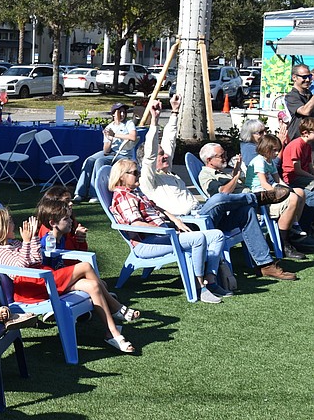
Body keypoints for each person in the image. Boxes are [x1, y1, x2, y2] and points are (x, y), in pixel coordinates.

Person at [138, 97, 296, 280]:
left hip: (204, 215)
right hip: (188, 224)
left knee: (246, 212)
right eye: (160, 155)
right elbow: (151, 153)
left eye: (164, 153)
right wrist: (154, 121)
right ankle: (258, 197)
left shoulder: (168, 172)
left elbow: (169, 142)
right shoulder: (148, 179)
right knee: (219, 198)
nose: (165, 156)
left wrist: (174, 112)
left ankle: (266, 264)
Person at [0, 204, 139, 353]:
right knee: (85, 266)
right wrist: (27, 242)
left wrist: (34, 237)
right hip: (31, 287)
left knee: (93, 286)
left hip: (42, 278)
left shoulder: (15, 242)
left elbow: (37, 259)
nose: (14, 224)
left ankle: (112, 333)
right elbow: (18, 270)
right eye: (9, 222)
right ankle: (116, 307)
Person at [108, 158, 232, 302]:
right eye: (135, 173)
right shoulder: (124, 197)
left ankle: (210, 280)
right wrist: (166, 231)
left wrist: (174, 219)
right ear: (122, 176)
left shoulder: (135, 192)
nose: (139, 175)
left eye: (139, 171)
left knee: (217, 235)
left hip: (161, 237)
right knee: (198, 238)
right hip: (147, 243)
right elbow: (136, 225)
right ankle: (200, 288)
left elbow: (156, 207)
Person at [198, 141, 304, 259]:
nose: (225, 158)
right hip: (250, 208)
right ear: (209, 160)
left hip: (254, 199)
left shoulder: (221, 173)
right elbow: (222, 193)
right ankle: (285, 244)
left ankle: (291, 234)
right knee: (293, 199)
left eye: (225, 154)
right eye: (221, 156)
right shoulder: (206, 175)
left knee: (300, 192)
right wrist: (236, 176)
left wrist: (238, 169)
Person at [244, 134, 309, 254]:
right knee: (293, 198)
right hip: (258, 191)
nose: (277, 153)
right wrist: (279, 194)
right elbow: (263, 183)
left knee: (300, 192)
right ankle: (284, 240)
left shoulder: (270, 161)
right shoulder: (259, 161)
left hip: (269, 187)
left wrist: (288, 189)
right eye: (274, 150)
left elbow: (278, 180)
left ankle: (294, 224)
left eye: (278, 149)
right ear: (266, 149)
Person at [73, 103, 137, 203]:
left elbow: (133, 137)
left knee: (99, 161)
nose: (122, 114)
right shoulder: (109, 127)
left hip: (124, 155)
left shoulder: (129, 124)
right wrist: (110, 139)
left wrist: (115, 135)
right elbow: (106, 150)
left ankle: (95, 193)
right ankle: (79, 193)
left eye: (124, 112)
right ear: (113, 114)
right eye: (119, 112)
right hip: (111, 152)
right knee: (89, 160)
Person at [37, 186, 89, 251]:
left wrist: (79, 238)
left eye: (70, 200)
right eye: (67, 200)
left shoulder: (68, 221)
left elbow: (81, 251)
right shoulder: (49, 231)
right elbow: (65, 254)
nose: (71, 203)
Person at [283, 64, 314, 142]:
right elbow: (305, 111)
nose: (307, 80)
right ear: (294, 77)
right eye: (304, 77)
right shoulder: (291, 96)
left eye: (309, 76)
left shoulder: (309, 95)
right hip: (297, 140)